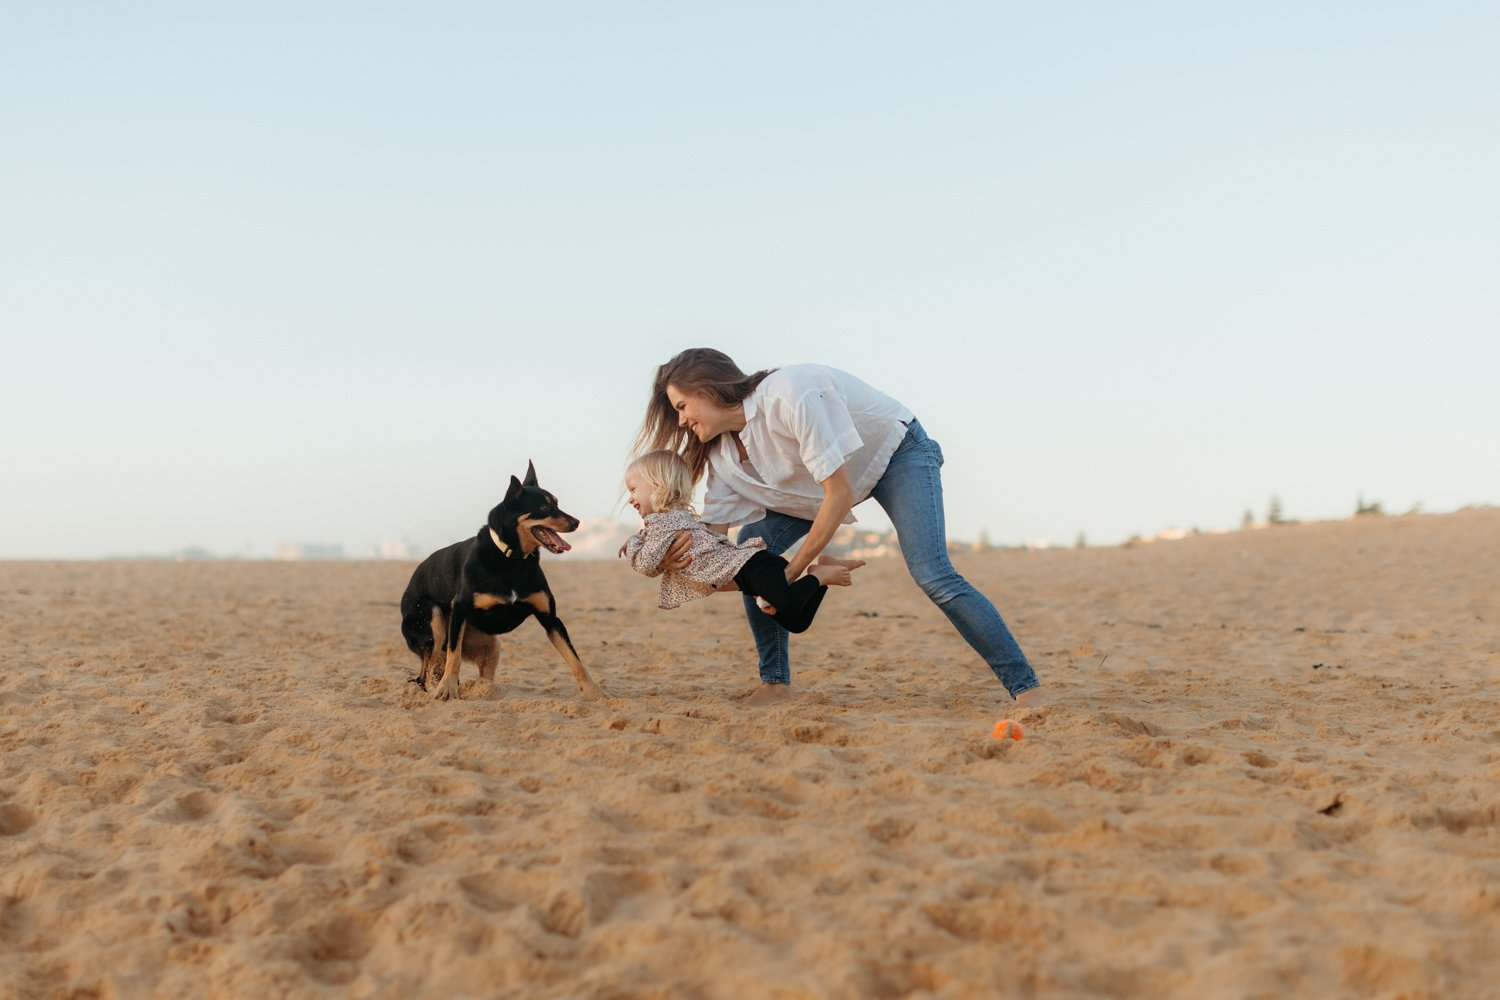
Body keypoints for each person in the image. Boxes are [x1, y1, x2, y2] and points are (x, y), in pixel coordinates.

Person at [633, 348, 1048, 710]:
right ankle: (775, 685)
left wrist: (791, 574)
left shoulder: (791, 392)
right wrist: (677, 557)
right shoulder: (723, 459)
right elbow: (716, 550)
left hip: (895, 454)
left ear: (708, 388)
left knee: (932, 573)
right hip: (814, 493)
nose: (681, 420)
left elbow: (840, 494)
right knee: (747, 551)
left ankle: (1026, 689)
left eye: (683, 405)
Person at [620, 450, 860, 631]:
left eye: (633, 489)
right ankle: (822, 571)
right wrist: (638, 540)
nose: (630, 499)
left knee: (789, 604)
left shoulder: (664, 523)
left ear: (657, 486)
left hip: (753, 567)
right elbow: (653, 552)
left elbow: (645, 565)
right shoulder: (672, 519)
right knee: (796, 622)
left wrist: (632, 544)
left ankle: (818, 575)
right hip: (750, 574)